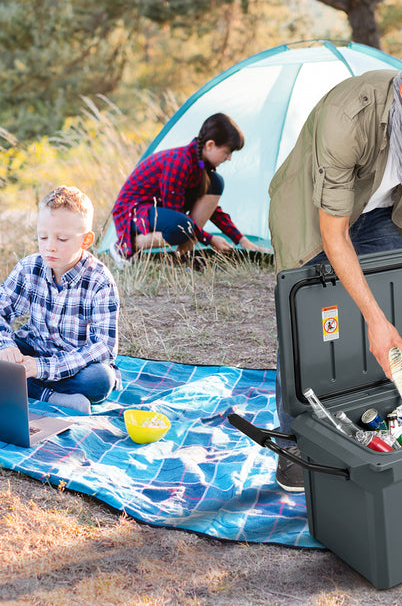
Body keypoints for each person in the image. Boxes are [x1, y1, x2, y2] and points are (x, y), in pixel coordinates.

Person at [268, 35, 402, 491]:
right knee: (310, 326)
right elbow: (334, 232)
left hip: (381, 210)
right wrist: (373, 320)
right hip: (314, 213)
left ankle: (370, 419)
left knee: (388, 312)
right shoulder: (350, 118)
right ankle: (292, 443)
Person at [0, 186, 120, 414]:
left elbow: (104, 348)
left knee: (100, 379)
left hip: (76, 365)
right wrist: (6, 346)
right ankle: (49, 396)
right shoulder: (29, 268)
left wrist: (41, 368)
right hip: (34, 349)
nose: (49, 246)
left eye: (62, 239)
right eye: (42, 237)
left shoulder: (100, 281)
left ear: (85, 240)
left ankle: (28, 387)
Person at [111, 112, 269, 265]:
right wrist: (209, 239)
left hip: (157, 211)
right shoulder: (179, 163)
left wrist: (241, 240)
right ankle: (124, 246)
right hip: (133, 213)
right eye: (227, 152)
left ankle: (182, 255)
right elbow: (177, 218)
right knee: (183, 228)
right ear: (210, 145)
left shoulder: (200, 166)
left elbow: (211, 208)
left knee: (215, 182)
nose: (229, 158)